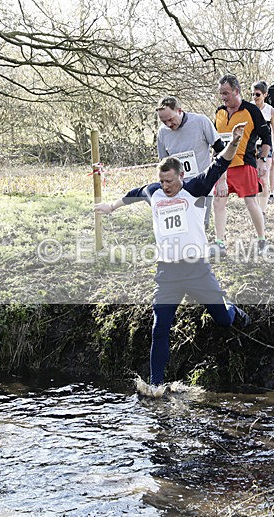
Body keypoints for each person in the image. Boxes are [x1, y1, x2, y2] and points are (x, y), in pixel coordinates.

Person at [94, 123, 252, 391]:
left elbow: (219, 165)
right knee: (160, 327)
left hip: (197, 270)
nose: (165, 186)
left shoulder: (194, 188)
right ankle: (156, 385)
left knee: (223, 320)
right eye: (162, 181)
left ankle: (234, 311)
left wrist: (234, 142)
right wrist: (110, 207)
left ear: (181, 175)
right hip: (167, 273)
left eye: (170, 181)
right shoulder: (153, 191)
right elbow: (132, 195)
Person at [213, 74, 272, 256]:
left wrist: (262, 160)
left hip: (244, 163)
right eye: (221, 93)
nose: (223, 97)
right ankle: (219, 243)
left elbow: (266, 137)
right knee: (218, 201)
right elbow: (215, 141)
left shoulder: (251, 110)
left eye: (226, 93)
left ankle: (262, 240)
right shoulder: (219, 112)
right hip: (223, 166)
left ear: (236, 91)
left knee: (250, 202)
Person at [156, 96, 226, 230]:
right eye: (164, 121)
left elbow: (221, 151)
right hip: (177, 188)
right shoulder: (162, 132)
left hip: (202, 184)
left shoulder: (200, 121)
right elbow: (163, 165)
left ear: (179, 111)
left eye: (170, 119)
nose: (168, 124)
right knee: (181, 228)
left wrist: (222, 181)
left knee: (200, 226)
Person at [251, 81, 274, 212]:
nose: (255, 97)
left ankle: (263, 210)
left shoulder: (270, 111)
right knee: (253, 179)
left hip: (265, 147)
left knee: (263, 178)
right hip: (251, 148)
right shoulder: (248, 109)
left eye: (257, 94)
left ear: (265, 94)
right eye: (252, 94)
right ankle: (255, 208)